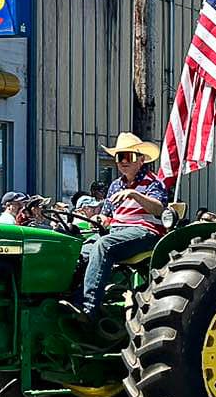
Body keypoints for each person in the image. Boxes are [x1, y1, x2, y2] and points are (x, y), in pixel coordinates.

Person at [68, 133, 167, 322]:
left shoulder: (153, 183)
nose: (123, 161)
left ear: (141, 159)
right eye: (119, 157)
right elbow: (106, 216)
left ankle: (87, 307)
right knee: (79, 250)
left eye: (128, 156)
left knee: (104, 245)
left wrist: (134, 195)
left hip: (144, 231)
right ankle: (69, 300)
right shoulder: (115, 185)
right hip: (116, 231)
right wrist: (100, 218)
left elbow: (159, 208)